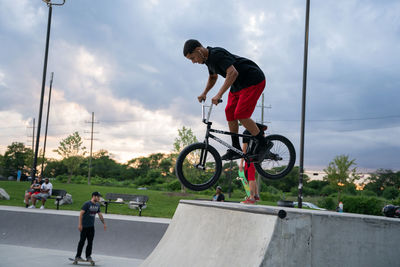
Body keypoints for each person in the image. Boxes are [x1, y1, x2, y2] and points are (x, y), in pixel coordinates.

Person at [183, 39, 268, 162]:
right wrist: (204, 93)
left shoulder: (217, 54)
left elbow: (232, 72)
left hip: (252, 79)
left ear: (198, 50)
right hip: (238, 84)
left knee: (241, 114)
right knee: (229, 111)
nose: (193, 62)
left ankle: (263, 143)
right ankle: (235, 147)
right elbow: (213, 77)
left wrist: (219, 94)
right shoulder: (208, 61)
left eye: (192, 58)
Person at [74, 192, 106, 263]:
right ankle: (78, 256)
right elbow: (81, 214)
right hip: (84, 226)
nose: (99, 198)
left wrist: (104, 223)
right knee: (82, 241)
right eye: (98, 197)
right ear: (94, 196)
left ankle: (88, 256)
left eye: (99, 197)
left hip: (91, 227)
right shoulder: (87, 204)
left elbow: (100, 214)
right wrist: (80, 224)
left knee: (90, 242)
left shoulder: (97, 205)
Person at [239, 125, 265, 204]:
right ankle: (256, 195)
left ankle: (252, 198)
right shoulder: (258, 130)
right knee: (251, 177)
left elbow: (244, 149)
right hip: (256, 156)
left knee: (250, 177)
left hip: (251, 157)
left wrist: (241, 162)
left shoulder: (246, 132)